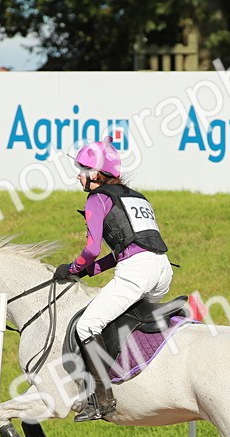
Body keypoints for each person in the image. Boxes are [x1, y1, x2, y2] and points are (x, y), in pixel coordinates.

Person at [52, 136, 173, 421]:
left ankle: (102, 399)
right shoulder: (136, 197)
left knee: (86, 326)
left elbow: (92, 249)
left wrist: (71, 268)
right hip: (162, 270)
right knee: (119, 316)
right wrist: (85, 272)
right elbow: (121, 252)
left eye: (82, 170)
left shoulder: (96, 198)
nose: (78, 176)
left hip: (138, 271)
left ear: (95, 174)